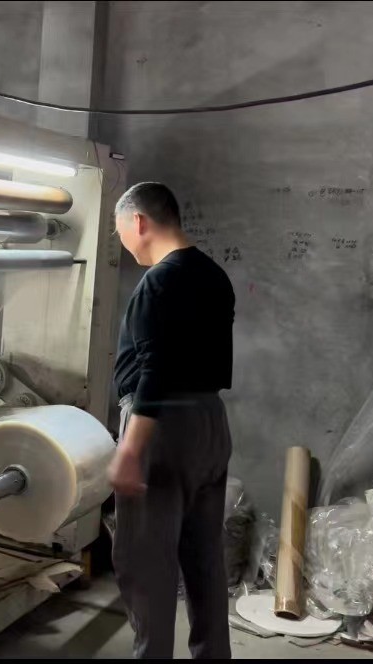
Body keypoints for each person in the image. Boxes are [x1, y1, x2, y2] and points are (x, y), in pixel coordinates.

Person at [108, 182, 235, 659]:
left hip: (162, 428)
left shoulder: (158, 281)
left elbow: (155, 370)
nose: (123, 242)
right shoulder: (214, 275)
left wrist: (131, 448)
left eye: (120, 230)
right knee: (204, 559)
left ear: (139, 221)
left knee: (146, 565)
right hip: (210, 422)